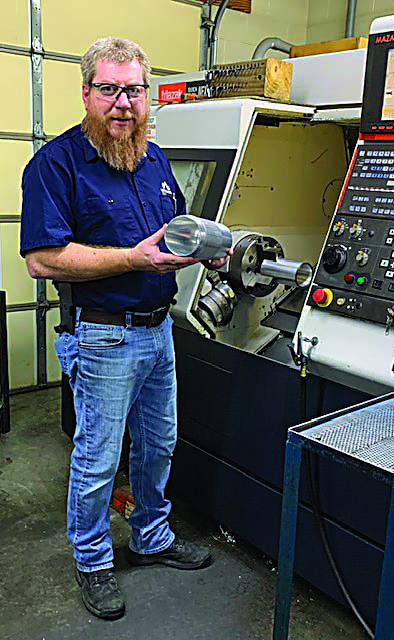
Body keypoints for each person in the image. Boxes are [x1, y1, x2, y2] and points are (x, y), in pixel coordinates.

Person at [20, 37, 231, 621]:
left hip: (159, 330)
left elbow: (176, 230)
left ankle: (151, 538)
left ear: (147, 96)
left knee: (158, 444)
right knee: (98, 455)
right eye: (109, 89)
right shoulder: (55, 164)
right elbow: (43, 259)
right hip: (103, 336)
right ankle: (91, 560)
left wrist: (211, 249)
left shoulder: (155, 159)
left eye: (134, 90)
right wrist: (132, 259)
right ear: (86, 94)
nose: (123, 103)